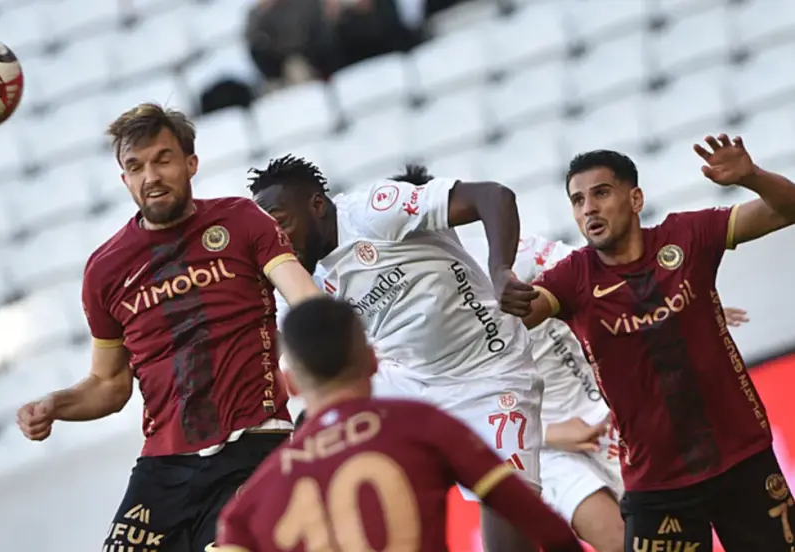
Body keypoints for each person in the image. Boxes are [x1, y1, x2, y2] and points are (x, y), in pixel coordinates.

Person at [15, 103, 322, 552]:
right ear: (124, 179)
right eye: (136, 166)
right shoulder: (105, 270)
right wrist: (54, 405)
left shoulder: (241, 220)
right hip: (164, 470)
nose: (151, 177)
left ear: (190, 163)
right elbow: (109, 385)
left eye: (163, 159)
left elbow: (309, 304)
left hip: (253, 446)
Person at [249, 156, 543, 552]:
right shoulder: (296, 281)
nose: (278, 240)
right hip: (404, 382)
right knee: (313, 435)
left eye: (281, 223)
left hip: (489, 369)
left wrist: (500, 270)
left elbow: (493, 196)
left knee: (510, 522)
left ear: (317, 205)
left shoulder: (372, 212)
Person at [522, 135, 795, 551]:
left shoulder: (687, 235)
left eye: (600, 193)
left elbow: (786, 210)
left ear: (635, 199)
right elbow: (527, 310)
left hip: (742, 460)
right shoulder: (572, 277)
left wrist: (753, 177)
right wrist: (504, 289)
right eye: (577, 201)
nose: (588, 208)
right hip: (657, 485)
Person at [210, 297, 584, 552]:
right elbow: (538, 521)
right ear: (373, 361)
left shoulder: (253, 501)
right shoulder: (423, 426)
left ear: (290, 384)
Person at [505, 233, 751, 552]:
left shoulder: (522, 250)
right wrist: (546, 433)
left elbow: (604, 276)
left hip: (615, 420)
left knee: (671, 541)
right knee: (620, 544)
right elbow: (459, 413)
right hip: (544, 447)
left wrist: (677, 308)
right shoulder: (445, 303)